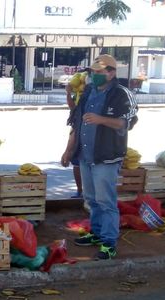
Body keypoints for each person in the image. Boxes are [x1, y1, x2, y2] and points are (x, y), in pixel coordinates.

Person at [60, 54, 138, 260]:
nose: (94, 75)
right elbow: (77, 119)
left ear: (111, 73)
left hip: (107, 157)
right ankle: (96, 233)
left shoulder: (122, 94)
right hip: (86, 155)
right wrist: (69, 150)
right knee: (92, 199)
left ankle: (109, 242)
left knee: (106, 201)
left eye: (99, 72)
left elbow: (126, 122)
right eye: (93, 72)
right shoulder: (88, 92)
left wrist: (101, 120)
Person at [65, 68, 90, 199]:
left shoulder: (94, 94)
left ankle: (88, 192)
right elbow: (72, 108)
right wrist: (68, 93)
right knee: (76, 163)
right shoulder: (79, 94)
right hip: (77, 128)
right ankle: (80, 190)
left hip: (89, 134)